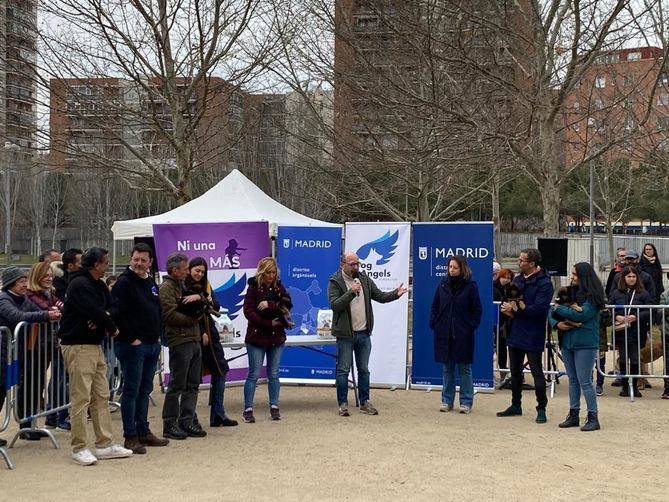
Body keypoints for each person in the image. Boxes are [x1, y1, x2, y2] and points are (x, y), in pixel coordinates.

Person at [58, 247, 133, 466]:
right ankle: (79, 446)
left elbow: (111, 307)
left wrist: (104, 318)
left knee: (101, 394)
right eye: (105, 262)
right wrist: (108, 324)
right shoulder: (79, 284)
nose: (108, 264)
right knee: (81, 397)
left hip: (94, 344)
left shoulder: (98, 284)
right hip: (78, 345)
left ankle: (104, 443)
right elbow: (94, 311)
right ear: (96, 264)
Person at [328, 251, 407, 417]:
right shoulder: (335, 281)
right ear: (343, 264)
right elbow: (335, 305)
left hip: (364, 333)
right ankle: (343, 403)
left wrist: (395, 294)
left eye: (358, 263)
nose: (356, 267)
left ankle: (364, 402)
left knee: (364, 369)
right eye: (352, 264)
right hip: (345, 335)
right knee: (343, 370)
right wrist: (351, 292)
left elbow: (379, 295)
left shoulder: (363, 279)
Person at [111, 243, 169, 454]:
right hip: (133, 345)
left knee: (145, 389)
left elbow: (156, 308)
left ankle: (143, 430)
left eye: (143, 260)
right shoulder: (124, 283)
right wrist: (131, 337)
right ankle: (130, 435)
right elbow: (117, 313)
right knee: (131, 390)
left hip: (152, 343)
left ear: (150, 262)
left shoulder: (151, 282)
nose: (139, 263)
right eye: (136, 259)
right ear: (130, 259)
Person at [0, 266, 60, 442]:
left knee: (7, 390)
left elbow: (35, 310)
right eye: (21, 281)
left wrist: (51, 313)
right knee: (1, 391)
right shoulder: (4, 299)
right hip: (4, 352)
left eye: (25, 280)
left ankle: (27, 424)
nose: (25, 284)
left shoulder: (23, 298)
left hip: (14, 353)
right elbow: (16, 316)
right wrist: (46, 315)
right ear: (11, 283)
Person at [497, 248, 554, 423]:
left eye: (522, 260)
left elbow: (538, 309)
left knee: (537, 373)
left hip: (533, 333)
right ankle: (516, 405)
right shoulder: (518, 280)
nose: (518, 263)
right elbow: (511, 300)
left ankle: (541, 408)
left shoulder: (545, 283)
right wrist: (508, 309)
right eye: (519, 259)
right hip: (515, 330)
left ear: (532, 264)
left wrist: (516, 309)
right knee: (515, 372)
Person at [549, 263, 605, 432]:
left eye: (575, 274)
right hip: (567, 341)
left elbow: (581, 314)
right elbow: (550, 314)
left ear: (584, 277)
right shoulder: (568, 292)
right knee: (572, 381)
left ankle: (593, 416)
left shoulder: (593, 297)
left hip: (585, 343)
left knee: (585, 381)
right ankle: (574, 414)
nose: (571, 277)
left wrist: (559, 308)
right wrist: (556, 323)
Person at [184, 257, 237, 427]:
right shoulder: (183, 286)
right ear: (190, 269)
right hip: (195, 336)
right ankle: (190, 417)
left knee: (221, 371)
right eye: (196, 270)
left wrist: (204, 299)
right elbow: (188, 313)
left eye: (202, 271)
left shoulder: (206, 286)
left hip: (211, 335)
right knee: (192, 379)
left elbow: (216, 305)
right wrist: (201, 332)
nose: (199, 274)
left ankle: (218, 414)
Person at [160, 252, 206, 440]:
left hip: (193, 338)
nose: (188, 272)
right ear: (174, 270)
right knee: (177, 383)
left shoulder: (183, 285)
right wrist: (192, 318)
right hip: (180, 340)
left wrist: (199, 300)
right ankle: (169, 422)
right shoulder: (166, 288)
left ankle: (187, 419)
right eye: (185, 269)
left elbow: (202, 301)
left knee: (193, 383)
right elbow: (169, 314)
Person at [429, 256, 482, 414]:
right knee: (447, 368)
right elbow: (435, 305)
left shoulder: (471, 286)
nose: (451, 270)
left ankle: (466, 402)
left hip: (462, 334)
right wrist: (434, 322)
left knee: (464, 369)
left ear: (462, 269)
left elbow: (477, 309)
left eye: (455, 267)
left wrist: (470, 326)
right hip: (444, 332)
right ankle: (446, 401)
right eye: (450, 267)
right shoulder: (442, 284)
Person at [242, 257, 292, 422]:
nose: (271, 275)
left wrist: (270, 305)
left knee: (274, 373)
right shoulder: (253, 287)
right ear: (262, 272)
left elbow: (288, 304)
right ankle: (248, 408)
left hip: (276, 336)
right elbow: (248, 311)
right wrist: (267, 322)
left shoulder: (279, 287)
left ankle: (274, 406)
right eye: (268, 272)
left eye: (273, 272)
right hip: (257, 336)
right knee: (254, 374)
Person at [25, 262, 69, 433]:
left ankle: (54, 417)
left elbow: (62, 307)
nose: (50, 278)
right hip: (36, 346)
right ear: (37, 276)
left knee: (56, 381)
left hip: (52, 343)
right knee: (34, 385)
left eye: (51, 275)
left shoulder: (50, 293)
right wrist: (51, 312)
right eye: (46, 275)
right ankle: (29, 424)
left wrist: (55, 311)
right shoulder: (30, 295)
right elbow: (44, 310)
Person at [607, 266, 652, 398]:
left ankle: (635, 385)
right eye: (628, 276)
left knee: (634, 358)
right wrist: (616, 316)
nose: (631, 279)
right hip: (621, 331)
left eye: (633, 276)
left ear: (637, 278)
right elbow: (609, 308)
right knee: (622, 358)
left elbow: (649, 310)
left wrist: (636, 316)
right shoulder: (616, 293)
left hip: (637, 330)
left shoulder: (643, 294)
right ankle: (625, 386)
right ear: (624, 278)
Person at [493, 268, 514, 388]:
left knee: (502, 349)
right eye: (504, 277)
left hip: (503, 324)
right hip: (495, 324)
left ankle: (503, 374)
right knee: (495, 350)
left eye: (509, 278)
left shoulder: (508, 290)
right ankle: (498, 374)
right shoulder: (494, 289)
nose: (506, 280)